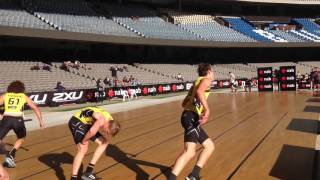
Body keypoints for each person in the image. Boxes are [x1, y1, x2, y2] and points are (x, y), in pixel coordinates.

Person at [168, 63, 215, 180]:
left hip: (189, 115)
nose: (214, 73)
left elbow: (184, 103)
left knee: (209, 146)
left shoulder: (196, 81)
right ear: (209, 71)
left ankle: (194, 175)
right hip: (191, 117)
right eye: (213, 71)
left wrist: (195, 106)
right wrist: (207, 109)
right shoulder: (206, 80)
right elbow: (199, 92)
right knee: (190, 152)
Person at [0, 81, 45, 168]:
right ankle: (11, 154)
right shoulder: (23, 96)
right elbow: (35, 108)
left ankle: (6, 152)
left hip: (7, 119)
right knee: (21, 137)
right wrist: (41, 121)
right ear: (22, 88)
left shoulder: (5, 95)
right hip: (18, 120)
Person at [68, 107, 121, 180]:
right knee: (83, 149)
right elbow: (91, 132)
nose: (105, 132)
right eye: (107, 131)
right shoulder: (101, 120)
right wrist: (84, 140)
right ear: (108, 124)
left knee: (104, 142)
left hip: (87, 123)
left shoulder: (110, 120)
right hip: (76, 121)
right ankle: (73, 178)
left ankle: (88, 172)